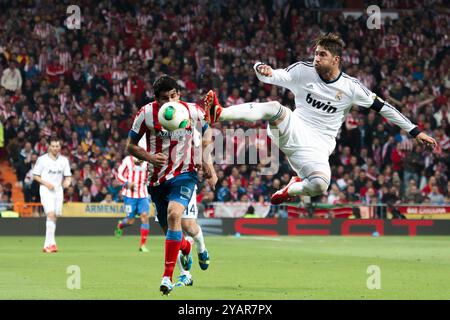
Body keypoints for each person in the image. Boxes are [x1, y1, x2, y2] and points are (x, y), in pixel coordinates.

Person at [204, 33, 437, 204]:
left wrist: (416, 131)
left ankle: (292, 189)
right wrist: (260, 67)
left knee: (320, 185)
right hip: (293, 128)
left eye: (322, 54)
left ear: (336, 59)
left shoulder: (351, 87)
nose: (316, 58)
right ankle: (221, 113)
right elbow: (271, 77)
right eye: (315, 53)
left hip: (318, 147)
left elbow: (384, 108)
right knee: (275, 107)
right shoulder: (303, 71)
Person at [126, 75, 217, 295]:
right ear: (155, 99)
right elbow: (130, 146)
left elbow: (207, 131)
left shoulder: (192, 110)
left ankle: (167, 277)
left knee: (177, 216)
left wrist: (208, 164)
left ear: (179, 94)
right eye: (164, 99)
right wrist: (149, 157)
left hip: (185, 174)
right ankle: (186, 246)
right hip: (157, 180)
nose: (170, 103)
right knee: (171, 231)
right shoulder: (145, 114)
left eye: (173, 96)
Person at [32, 139, 72, 253]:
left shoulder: (64, 160)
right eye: (53, 146)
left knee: (54, 217)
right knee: (50, 214)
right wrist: (46, 183)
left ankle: (50, 244)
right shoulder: (42, 160)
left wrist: (67, 182)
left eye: (57, 146)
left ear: (60, 147)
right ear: (49, 147)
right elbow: (35, 176)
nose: (55, 148)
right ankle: (49, 244)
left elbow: (68, 176)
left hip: (58, 191)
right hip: (46, 190)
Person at [114, 155, 151, 253]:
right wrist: (127, 183)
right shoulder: (127, 159)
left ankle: (142, 245)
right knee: (130, 221)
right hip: (129, 196)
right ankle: (120, 225)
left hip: (143, 195)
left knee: (144, 217)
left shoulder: (148, 160)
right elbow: (118, 175)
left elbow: (152, 174)